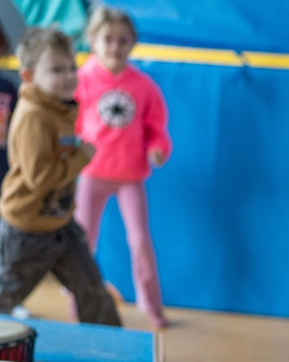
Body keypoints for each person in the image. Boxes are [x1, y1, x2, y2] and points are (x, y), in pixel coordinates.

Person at [0, 26, 121, 326]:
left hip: (61, 224)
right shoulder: (33, 116)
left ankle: (111, 355)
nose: (69, 75)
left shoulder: (59, 107)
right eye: (56, 70)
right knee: (6, 295)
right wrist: (81, 158)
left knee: (92, 290)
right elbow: (39, 178)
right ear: (28, 76)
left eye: (71, 67)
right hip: (28, 228)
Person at [74, 6, 171, 330]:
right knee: (82, 244)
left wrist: (158, 148)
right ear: (92, 41)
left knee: (140, 241)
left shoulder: (143, 86)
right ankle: (80, 302)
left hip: (130, 177)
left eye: (123, 40)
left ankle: (151, 306)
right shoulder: (82, 80)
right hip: (91, 174)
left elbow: (157, 128)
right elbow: (68, 121)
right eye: (108, 39)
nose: (115, 46)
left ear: (132, 43)